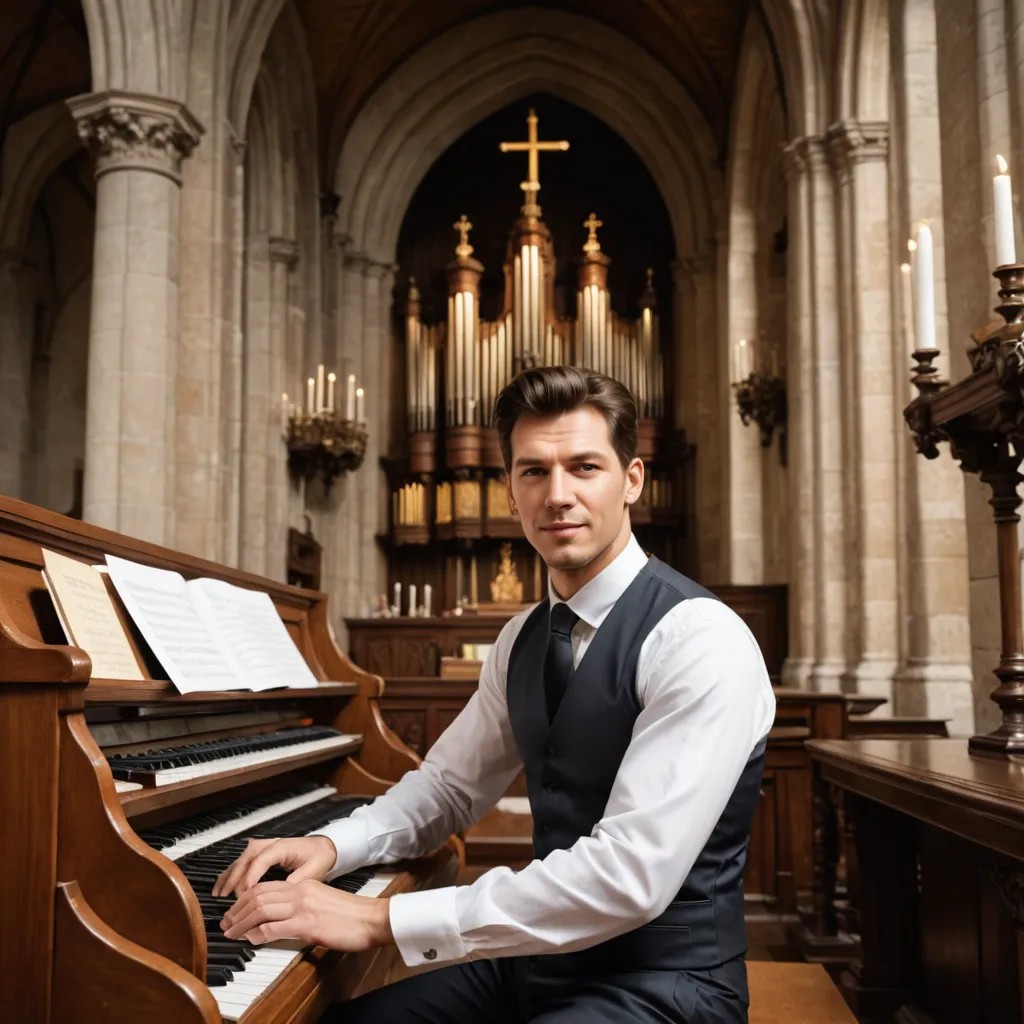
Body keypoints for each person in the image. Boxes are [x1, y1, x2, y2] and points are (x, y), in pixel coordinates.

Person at [215, 366, 776, 1022]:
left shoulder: (699, 638)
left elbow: (631, 879)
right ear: (510, 491)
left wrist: (378, 917)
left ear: (632, 481)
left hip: (663, 984)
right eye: (533, 471)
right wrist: (335, 846)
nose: (557, 495)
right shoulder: (521, 640)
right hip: (539, 964)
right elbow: (449, 790)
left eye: (584, 467)